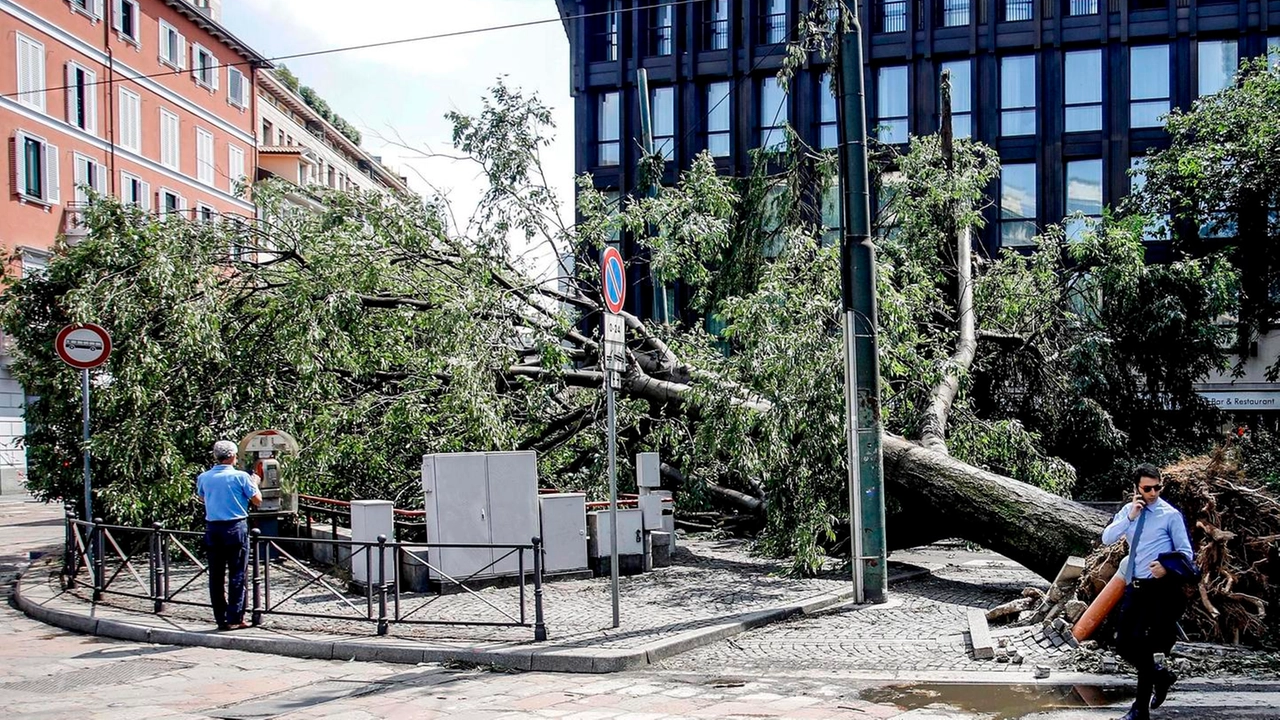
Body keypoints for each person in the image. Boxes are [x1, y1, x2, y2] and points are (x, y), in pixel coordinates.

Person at [1101, 463, 1196, 720]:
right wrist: (1130, 516)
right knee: (1122, 644)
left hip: (1159, 591)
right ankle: (1160, 676)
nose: (1153, 493)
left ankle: (1139, 709)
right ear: (1137, 488)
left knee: (1142, 645)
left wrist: (1166, 567)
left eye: (1157, 488)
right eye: (1147, 488)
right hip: (1135, 586)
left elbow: (1186, 554)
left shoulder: (1170, 515)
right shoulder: (1128, 511)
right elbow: (1107, 538)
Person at [195, 440, 261, 631]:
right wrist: (254, 483)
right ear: (232, 456)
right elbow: (257, 500)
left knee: (216, 575)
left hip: (213, 528)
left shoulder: (204, 477)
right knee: (237, 573)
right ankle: (235, 617)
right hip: (235, 527)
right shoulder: (241, 477)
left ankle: (220, 618)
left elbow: (202, 497)